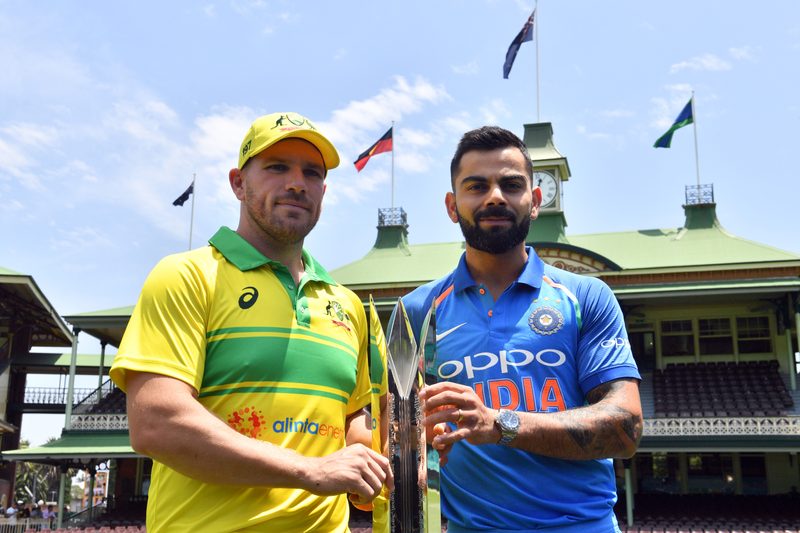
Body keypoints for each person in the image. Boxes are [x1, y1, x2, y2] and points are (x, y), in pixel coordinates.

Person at [110, 112, 393, 532]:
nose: (296, 183)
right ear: (238, 183)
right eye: (277, 167)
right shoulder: (186, 276)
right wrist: (309, 470)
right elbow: (156, 423)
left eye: (312, 173)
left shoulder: (349, 305)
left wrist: (392, 456)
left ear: (323, 191)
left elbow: (351, 420)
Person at [404, 126, 643, 533]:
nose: (495, 197)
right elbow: (391, 435)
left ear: (534, 202)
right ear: (451, 205)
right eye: (476, 186)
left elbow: (626, 428)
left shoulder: (586, 295)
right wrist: (414, 438)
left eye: (511, 185)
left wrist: (499, 424)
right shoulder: (417, 311)